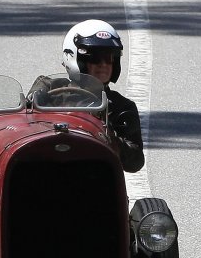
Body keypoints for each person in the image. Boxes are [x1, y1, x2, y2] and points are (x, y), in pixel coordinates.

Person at [55, 19, 145, 173]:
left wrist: (112, 140)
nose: (103, 64)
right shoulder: (51, 94)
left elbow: (135, 162)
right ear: (76, 59)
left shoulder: (122, 107)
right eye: (95, 58)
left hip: (98, 179)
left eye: (109, 58)